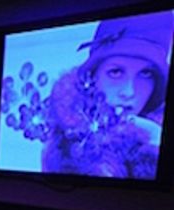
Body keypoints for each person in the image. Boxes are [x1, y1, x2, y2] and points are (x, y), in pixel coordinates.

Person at [41, 10, 173, 179]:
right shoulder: (64, 144)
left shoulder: (156, 134)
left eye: (146, 73)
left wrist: (156, 150)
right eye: (115, 72)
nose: (129, 92)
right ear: (93, 77)